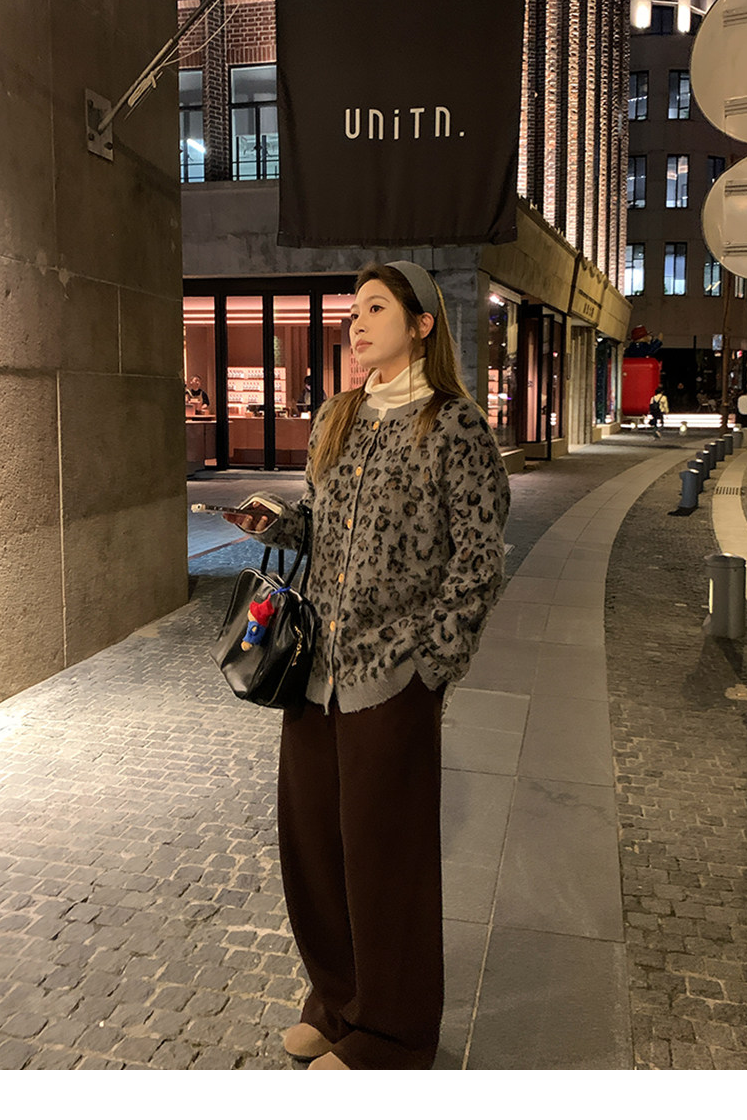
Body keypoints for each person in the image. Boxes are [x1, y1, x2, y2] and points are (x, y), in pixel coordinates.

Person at [224, 261, 510, 1071]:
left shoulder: (453, 426)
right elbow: (322, 522)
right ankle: (338, 1001)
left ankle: (392, 1033)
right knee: (314, 849)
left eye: (376, 308)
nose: (357, 322)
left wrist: (433, 662)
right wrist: (279, 523)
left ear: (422, 324)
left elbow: (479, 556)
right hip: (315, 669)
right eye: (354, 310)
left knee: (387, 860)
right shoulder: (338, 415)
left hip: (394, 674)